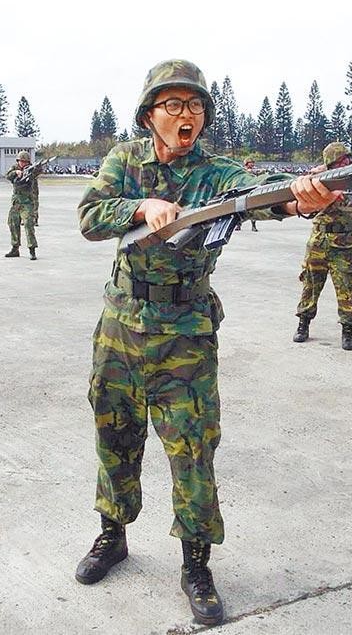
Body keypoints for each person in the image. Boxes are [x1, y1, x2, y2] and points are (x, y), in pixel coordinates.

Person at [74, 59, 337, 626]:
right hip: (120, 326)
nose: (185, 113)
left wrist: (302, 198)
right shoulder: (123, 162)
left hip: (186, 333)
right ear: (150, 117)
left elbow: (263, 196)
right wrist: (140, 206)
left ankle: (196, 565)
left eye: (194, 105)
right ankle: (112, 536)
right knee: (114, 434)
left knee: (192, 448)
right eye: (172, 105)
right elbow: (90, 217)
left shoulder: (218, 173)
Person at [293, 142, 352, 350]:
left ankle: (347, 331)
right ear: (331, 163)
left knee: (348, 288)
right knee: (310, 284)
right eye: (341, 161)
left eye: (347, 159)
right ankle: (303, 324)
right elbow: (301, 193)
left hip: (344, 244)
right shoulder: (319, 179)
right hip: (319, 241)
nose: (346, 163)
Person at [4, 151, 40, 260]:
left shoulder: (31, 169)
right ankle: (15, 248)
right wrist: (16, 172)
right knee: (12, 223)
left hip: (27, 202)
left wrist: (30, 170)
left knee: (29, 224)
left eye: (25, 162)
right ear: (18, 161)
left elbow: (38, 172)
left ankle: (32, 249)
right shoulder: (14, 168)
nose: (23, 163)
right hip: (16, 201)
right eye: (21, 161)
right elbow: (8, 176)